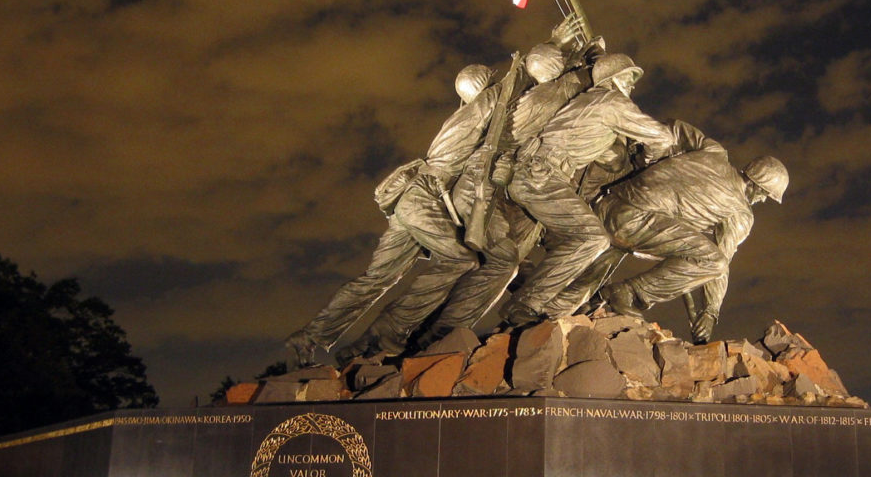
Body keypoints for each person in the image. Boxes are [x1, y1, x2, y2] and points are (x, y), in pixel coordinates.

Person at [332, 43, 587, 360]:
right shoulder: (521, 100)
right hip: (471, 191)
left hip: (475, 190)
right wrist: (580, 63)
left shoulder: (475, 109)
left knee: (494, 264)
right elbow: (537, 90)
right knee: (493, 261)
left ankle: (418, 336)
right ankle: (434, 338)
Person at [283, 64, 502, 366]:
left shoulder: (460, 115)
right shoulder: (478, 110)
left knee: (376, 279)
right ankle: (390, 331)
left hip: (410, 200)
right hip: (421, 199)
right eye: (490, 81)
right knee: (461, 259)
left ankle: (310, 336)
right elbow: (505, 94)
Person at [498, 53, 676, 327]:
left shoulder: (586, 101)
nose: (632, 85)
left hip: (539, 174)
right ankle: (524, 304)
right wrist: (650, 161)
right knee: (592, 238)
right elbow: (663, 136)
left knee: (574, 242)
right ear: (612, 79)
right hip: (542, 176)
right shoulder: (611, 102)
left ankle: (547, 306)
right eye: (628, 78)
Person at [579, 122, 787, 343]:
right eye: (765, 194)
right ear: (757, 186)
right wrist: (710, 312)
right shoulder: (741, 213)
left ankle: (581, 305)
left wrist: (652, 159)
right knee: (712, 261)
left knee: (580, 288)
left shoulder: (714, 151)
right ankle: (628, 293)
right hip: (632, 223)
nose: (763, 200)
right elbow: (720, 263)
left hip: (607, 204)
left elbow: (675, 129)